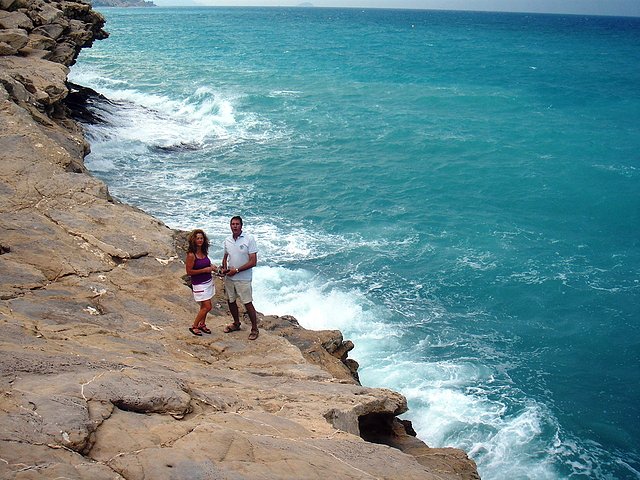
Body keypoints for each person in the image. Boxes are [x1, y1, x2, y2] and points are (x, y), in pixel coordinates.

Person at [221, 216, 259, 340]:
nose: (235, 226)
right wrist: (224, 268)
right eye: (233, 224)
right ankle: (236, 323)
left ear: (241, 226)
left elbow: (253, 261)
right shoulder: (227, 240)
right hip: (229, 277)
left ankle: (254, 329)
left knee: (247, 303)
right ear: (230, 226)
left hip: (243, 278)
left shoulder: (249, 239)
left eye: (237, 224)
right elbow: (226, 257)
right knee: (230, 301)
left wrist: (236, 270)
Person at [185, 229, 217, 336]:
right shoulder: (191, 255)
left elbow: (206, 263)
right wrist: (205, 270)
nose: (200, 240)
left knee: (205, 305)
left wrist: (212, 267)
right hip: (199, 284)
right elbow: (189, 272)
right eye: (197, 238)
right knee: (207, 307)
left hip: (208, 282)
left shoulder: (203, 251)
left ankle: (202, 324)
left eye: (201, 238)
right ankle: (194, 326)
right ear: (193, 240)